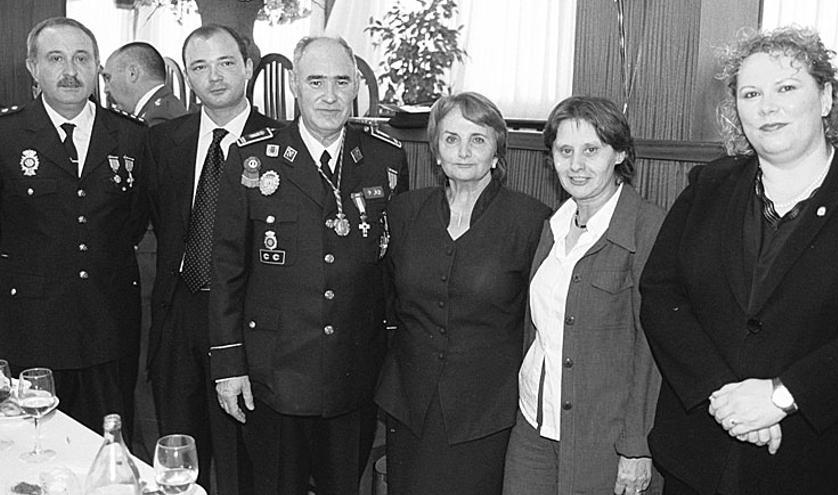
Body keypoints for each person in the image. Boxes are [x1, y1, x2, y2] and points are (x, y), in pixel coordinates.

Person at [640, 26, 838, 494]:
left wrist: (782, 395)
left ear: (826, 97)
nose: (767, 106)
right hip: (700, 456)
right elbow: (661, 294)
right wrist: (723, 396)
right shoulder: (708, 186)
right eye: (751, 94)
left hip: (822, 462)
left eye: (786, 88)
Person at [209, 35, 409, 495]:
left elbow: (390, 266)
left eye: (342, 82)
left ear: (357, 86)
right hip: (274, 373)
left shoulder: (385, 158)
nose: (330, 95)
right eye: (316, 81)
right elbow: (227, 269)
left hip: (352, 373)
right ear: (294, 86)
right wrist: (228, 364)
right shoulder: (252, 157)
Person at [374, 92, 550, 495]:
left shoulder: (531, 220)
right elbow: (386, 300)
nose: (464, 152)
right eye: (451, 139)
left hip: (486, 411)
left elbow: (537, 319)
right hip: (409, 402)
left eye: (478, 139)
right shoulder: (404, 213)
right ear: (435, 151)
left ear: (496, 152)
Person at [501, 96, 664, 495]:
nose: (577, 165)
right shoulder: (553, 226)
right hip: (534, 427)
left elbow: (653, 350)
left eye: (592, 150)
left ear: (620, 152)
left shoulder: (647, 229)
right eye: (565, 151)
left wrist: (637, 446)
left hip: (604, 439)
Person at [145, 24, 279, 494]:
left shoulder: (281, 145)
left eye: (225, 63)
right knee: (180, 456)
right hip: (179, 315)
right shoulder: (163, 142)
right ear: (187, 75)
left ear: (248, 67)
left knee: (245, 461)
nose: (214, 77)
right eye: (200, 67)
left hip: (249, 322)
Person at [0, 17, 150, 436]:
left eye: (81, 58)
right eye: (56, 58)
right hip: (31, 327)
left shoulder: (132, 137)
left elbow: (134, 221)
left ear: (96, 66)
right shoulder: (7, 136)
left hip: (109, 324)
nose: (70, 70)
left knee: (109, 445)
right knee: (34, 449)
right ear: (32, 67)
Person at [103, 42, 187, 126]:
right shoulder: (160, 109)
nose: (105, 89)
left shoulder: (158, 118)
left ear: (132, 73)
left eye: (108, 78)